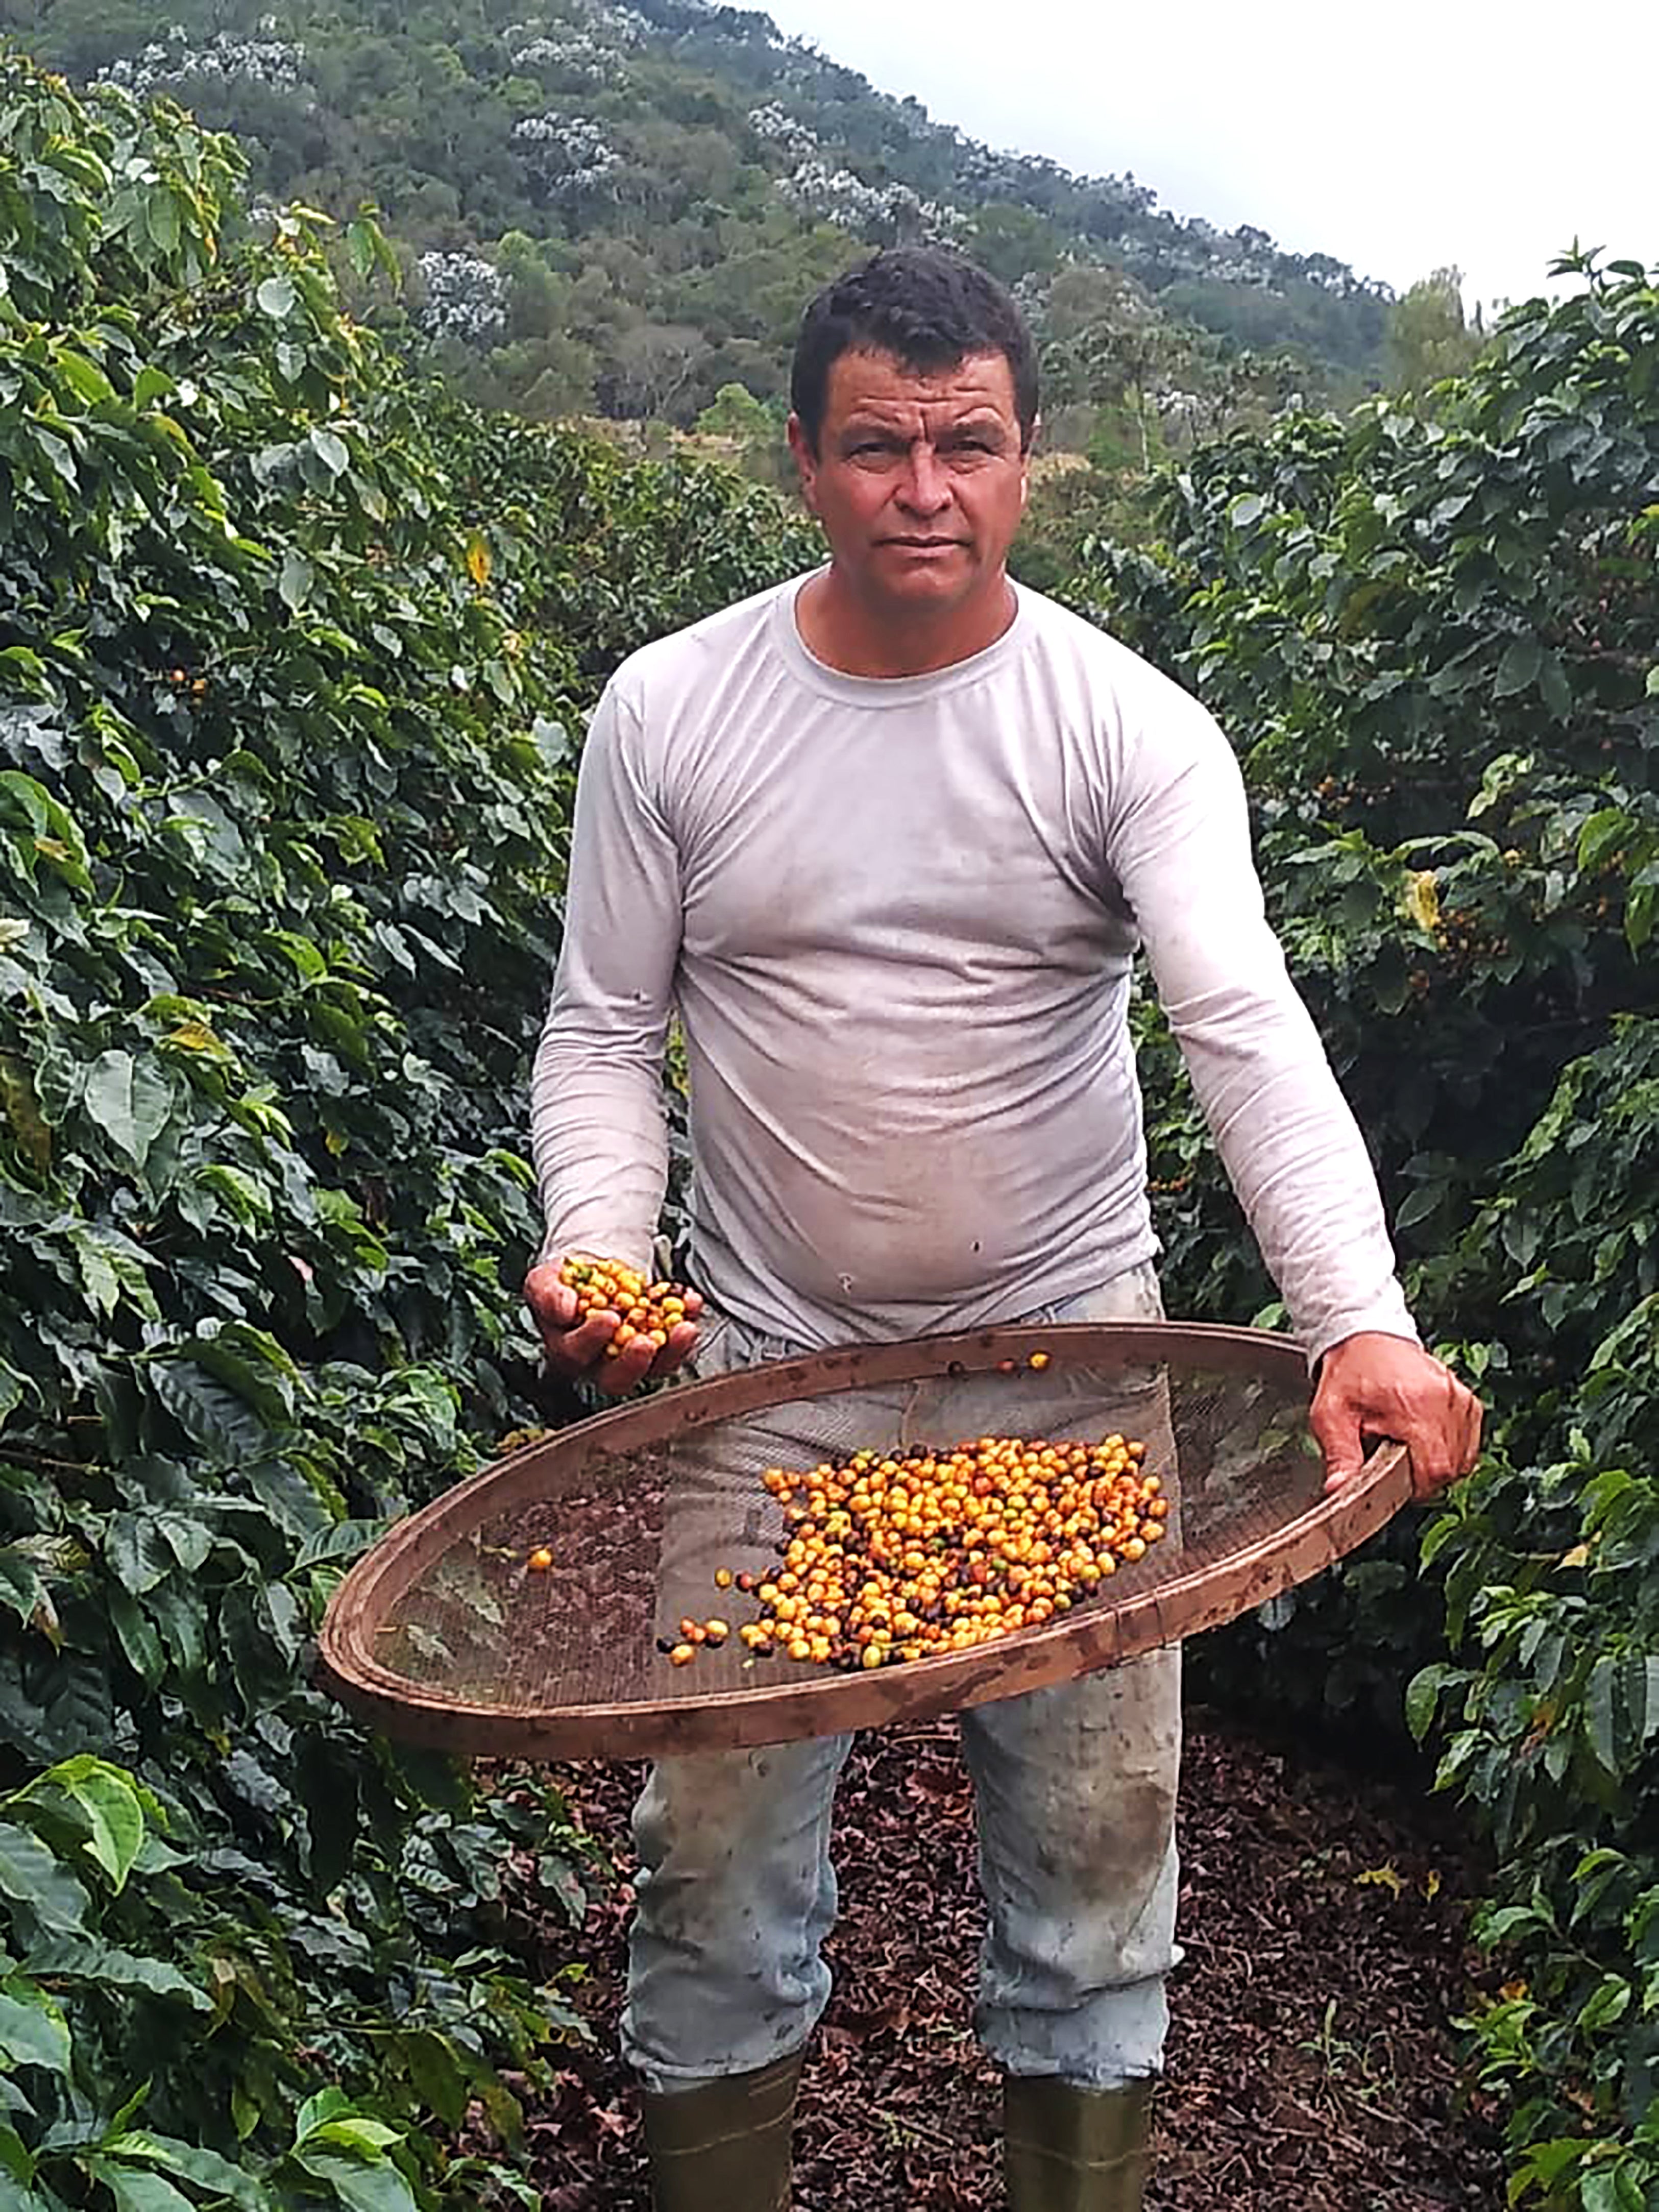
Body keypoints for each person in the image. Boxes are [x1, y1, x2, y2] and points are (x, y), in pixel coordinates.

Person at [524, 247, 1481, 2212]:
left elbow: (1240, 1026)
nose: (923, 490)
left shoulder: (1124, 727)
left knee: (1093, 1879)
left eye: (966, 445)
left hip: (1065, 1374)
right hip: (769, 1384)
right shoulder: (675, 710)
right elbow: (606, 1028)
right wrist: (599, 1243)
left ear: (1029, 457)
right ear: (799, 458)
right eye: (877, 446)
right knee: (710, 1882)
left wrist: (1359, 1318)